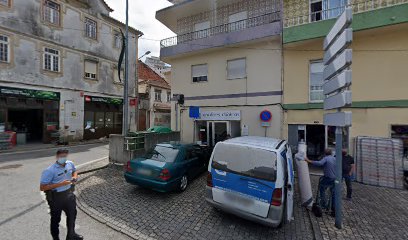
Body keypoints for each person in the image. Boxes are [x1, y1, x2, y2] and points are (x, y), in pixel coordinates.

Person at [40, 149, 83, 240]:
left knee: (72, 215)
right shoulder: (50, 170)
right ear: (57, 157)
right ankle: (56, 238)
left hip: (68, 194)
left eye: (64, 156)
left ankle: (71, 235)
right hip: (56, 198)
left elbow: (74, 171)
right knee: (55, 220)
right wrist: (60, 184)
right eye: (61, 157)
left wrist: (75, 177)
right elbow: (42, 187)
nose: (63, 158)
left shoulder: (70, 163)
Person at [305, 149, 336, 216]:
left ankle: (323, 204)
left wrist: (309, 161)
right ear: (331, 153)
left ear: (325, 154)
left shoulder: (326, 158)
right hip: (335, 179)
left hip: (328, 178)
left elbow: (319, 163)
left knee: (322, 189)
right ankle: (333, 208)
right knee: (333, 193)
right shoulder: (334, 158)